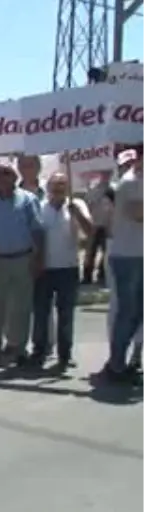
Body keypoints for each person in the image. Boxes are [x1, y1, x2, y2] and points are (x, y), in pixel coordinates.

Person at [0, 164, 44, 368]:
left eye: (8, 175)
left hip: (23, 259)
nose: (4, 179)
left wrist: (38, 259)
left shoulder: (28, 200)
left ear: (15, 177)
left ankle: (19, 348)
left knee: (21, 308)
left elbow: (38, 231)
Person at [30, 173, 91, 369]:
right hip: (44, 269)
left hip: (68, 268)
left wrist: (78, 215)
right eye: (54, 184)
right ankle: (39, 350)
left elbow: (91, 232)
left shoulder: (77, 204)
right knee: (41, 312)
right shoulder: (39, 206)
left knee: (66, 314)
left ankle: (65, 354)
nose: (58, 188)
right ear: (47, 187)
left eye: (62, 184)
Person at [103, 146, 144, 382]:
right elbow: (138, 212)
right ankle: (116, 364)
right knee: (128, 312)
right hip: (128, 257)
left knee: (137, 312)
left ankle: (127, 359)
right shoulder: (128, 182)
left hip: (139, 255)